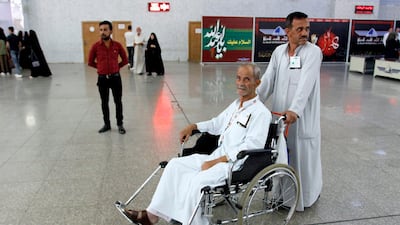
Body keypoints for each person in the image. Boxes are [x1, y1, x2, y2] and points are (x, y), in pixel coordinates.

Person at [122, 63, 272, 225]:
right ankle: (151, 216)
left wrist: (216, 162)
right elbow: (216, 124)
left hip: (234, 165)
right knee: (175, 166)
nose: (241, 83)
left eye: (247, 79)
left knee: (197, 181)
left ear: (257, 83)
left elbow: (250, 147)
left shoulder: (261, 113)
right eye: (238, 78)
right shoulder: (236, 105)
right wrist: (194, 127)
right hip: (217, 155)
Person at [256, 11, 323, 211]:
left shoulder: (313, 52)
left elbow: (306, 85)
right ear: (288, 31)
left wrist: (294, 110)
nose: (305, 33)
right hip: (280, 118)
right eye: (299, 29)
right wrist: (252, 100)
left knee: (300, 157)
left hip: (300, 119)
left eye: (307, 29)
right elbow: (268, 80)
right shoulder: (278, 52)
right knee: (281, 157)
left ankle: (305, 198)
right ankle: (280, 197)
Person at [88, 20, 128, 134]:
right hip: (102, 79)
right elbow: (90, 62)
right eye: (101, 30)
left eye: (105, 30)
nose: (103, 32)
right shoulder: (96, 46)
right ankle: (107, 124)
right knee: (104, 102)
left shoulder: (117, 45)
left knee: (118, 102)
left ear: (110, 31)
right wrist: (101, 69)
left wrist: (116, 67)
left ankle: (120, 124)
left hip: (115, 78)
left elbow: (125, 60)